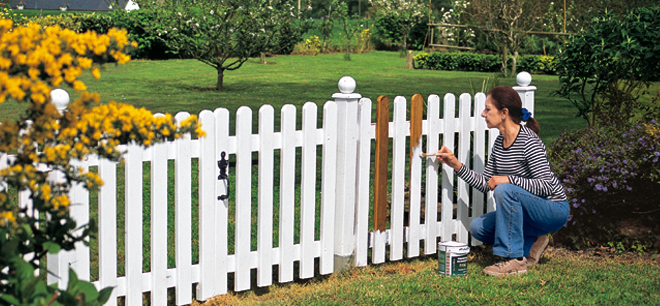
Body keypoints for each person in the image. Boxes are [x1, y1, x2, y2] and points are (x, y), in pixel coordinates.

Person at [436, 86, 569, 277]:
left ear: (504, 113)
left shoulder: (529, 142)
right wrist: (456, 164)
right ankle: (534, 239)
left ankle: (513, 260)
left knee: (505, 189)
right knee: (478, 228)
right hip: (528, 212)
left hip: (553, 209)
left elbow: (546, 185)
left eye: (488, 109)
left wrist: (509, 179)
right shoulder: (499, 143)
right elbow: (486, 183)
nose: (483, 114)